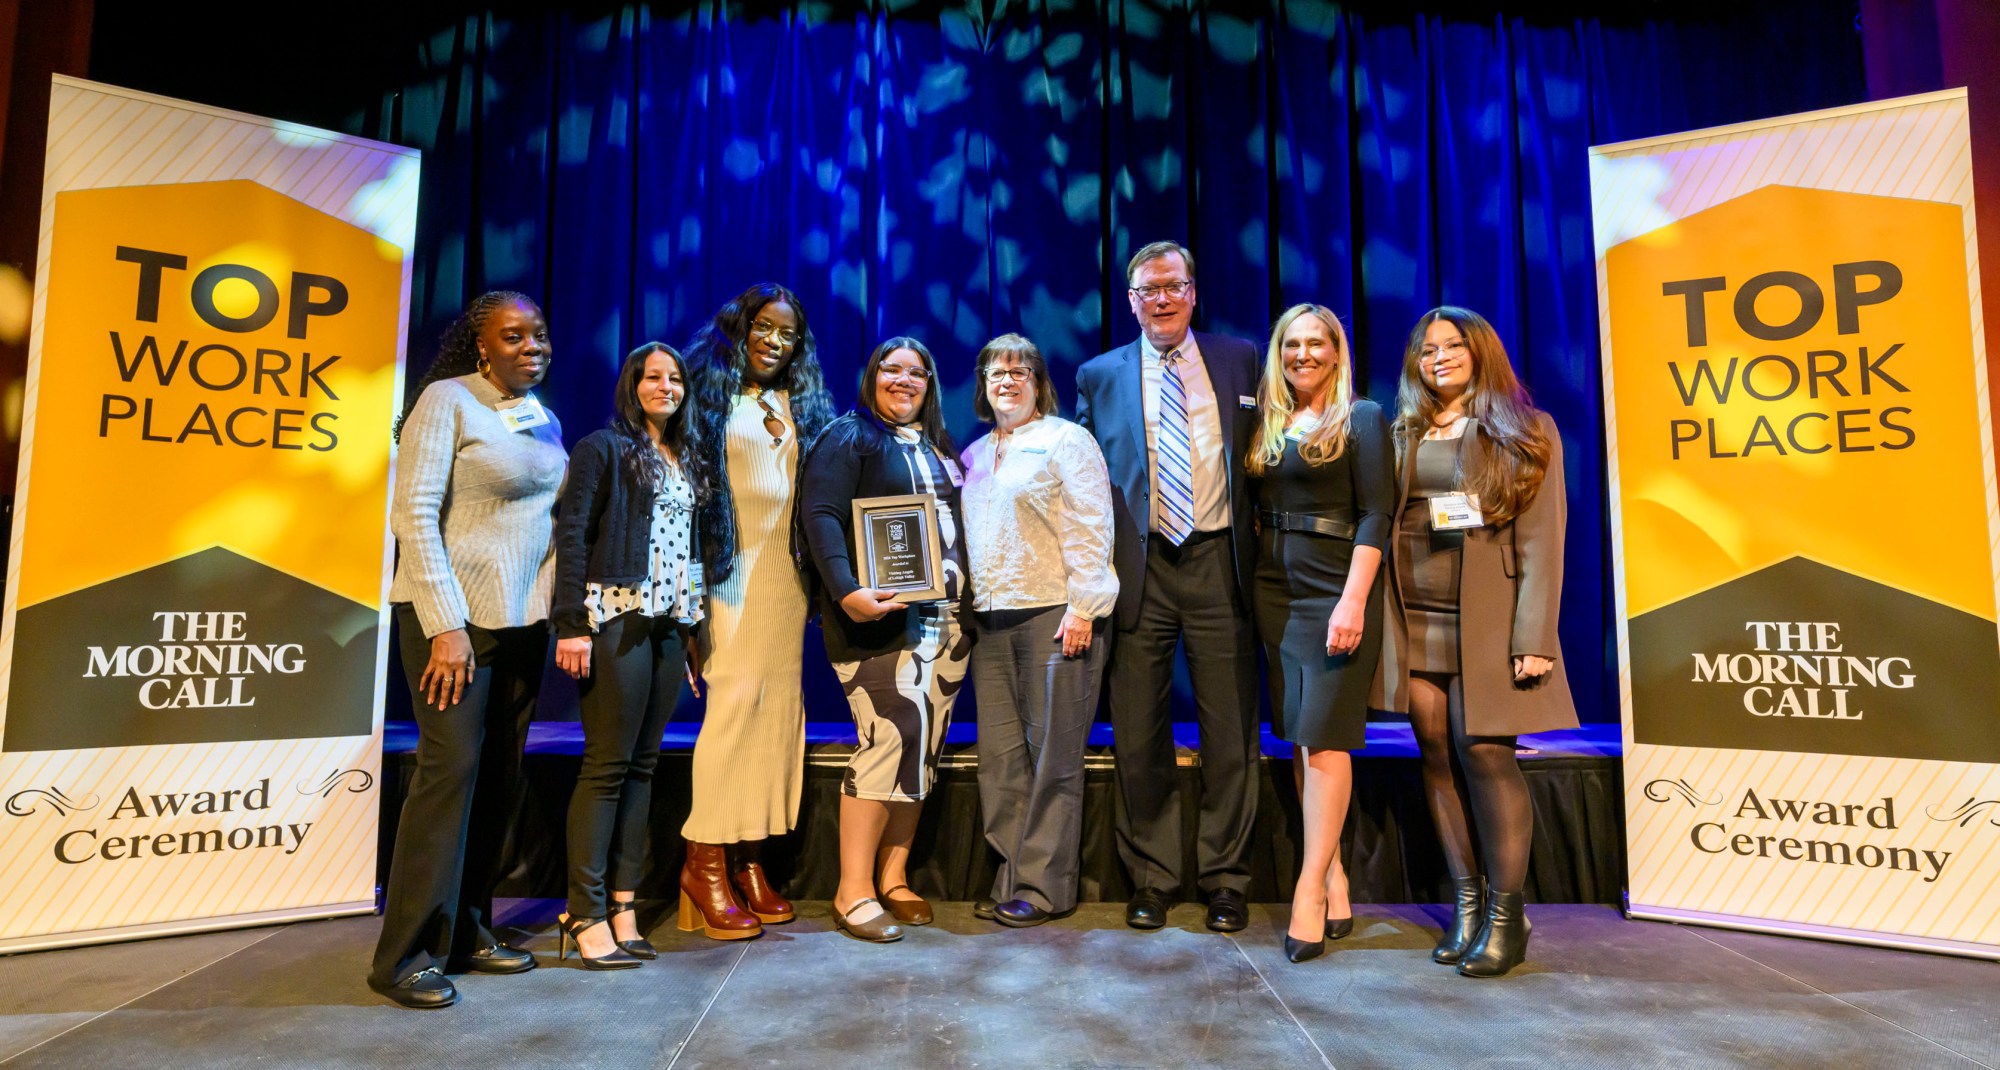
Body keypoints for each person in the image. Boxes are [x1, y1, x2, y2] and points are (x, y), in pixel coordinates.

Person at [369, 291, 566, 1010]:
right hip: (451, 625)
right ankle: (405, 955)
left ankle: (468, 931)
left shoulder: (543, 417)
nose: (531, 346)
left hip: (520, 626)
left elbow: (544, 525)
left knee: (498, 777)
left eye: (538, 334)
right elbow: (414, 517)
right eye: (513, 336)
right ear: (482, 346)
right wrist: (445, 626)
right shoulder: (447, 401)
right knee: (448, 775)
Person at [1376, 305, 1576, 978]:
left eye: (1452, 346)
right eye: (1426, 349)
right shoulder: (1401, 430)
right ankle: (1467, 906)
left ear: (1479, 350)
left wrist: (1533, 636)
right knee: (1435, 754)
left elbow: (1543, 542)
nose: (1438, 358)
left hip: (1486, 620)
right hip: (1414, 614)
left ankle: (1507, 916)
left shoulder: (1526, 428)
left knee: (1485, 754)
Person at [1075, 241, 1263, 933]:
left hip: (1220, 561)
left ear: (1193, 293)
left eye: (1173, 286)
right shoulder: (1099, 374)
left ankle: (1226, 879)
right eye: (1148, 290)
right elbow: (1084, 483)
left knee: (1231, 731)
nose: (1161, 299)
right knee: (1139, 730)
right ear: (1131, 302)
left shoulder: (1241, 359)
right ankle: (1151, 879)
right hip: (1139, 568)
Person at [798, 337, 972, 942]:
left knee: (921, 750)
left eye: (916, 371)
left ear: (931, 383)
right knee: (888, 740)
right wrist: (846, 591)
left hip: (948, 622)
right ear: (871, 376)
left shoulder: (938, 445)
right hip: (881, 621)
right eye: (891, 369)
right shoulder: (850, 437)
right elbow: (820, 514)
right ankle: (853, 891)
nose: (904, 379)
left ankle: (894, 878)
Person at [679, 283, 836, 939]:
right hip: (728, 577)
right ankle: (703, 864)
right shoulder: (706, 396)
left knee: (775, 721)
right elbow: (682, 503)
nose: (775, 341)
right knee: (732, 716)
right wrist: (688, 605)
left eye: (788, 334)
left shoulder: (800, 403)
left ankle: (748, 858)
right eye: (764, 327)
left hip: (785, 582)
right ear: (739, 328)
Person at [550, 342, 708, 967]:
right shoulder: (604, 448)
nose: (666, 387)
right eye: (653, 377)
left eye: (675, 379)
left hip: (670, 623)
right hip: (615, 616)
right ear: (632, 385)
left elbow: (691, 546)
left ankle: (623, 905)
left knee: (644, 766)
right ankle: (583, 911)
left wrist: (692, 627)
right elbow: (572, 533)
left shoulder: (688, 455)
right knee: (607, 766)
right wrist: (571, 624)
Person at [1245, 305, 1394, 963]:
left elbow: (1377, 514)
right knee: (1302, 738)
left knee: (1327, 738)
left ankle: (1307, 891)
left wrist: (1353, 601)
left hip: (1335, 589)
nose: (1303, 354)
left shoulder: (1362, 419)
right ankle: (1332, 874)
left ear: (1337, 351)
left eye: (1315, 343)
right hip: (1274, 590)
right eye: (1291, 344)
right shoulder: (1268, 422)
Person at [960, 333, 1117, 928]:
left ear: (1038, 382)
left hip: (1055, 615)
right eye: (996, 373)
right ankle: (1011, 876)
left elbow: (1092, 525)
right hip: (991, 622)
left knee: (1053, 759)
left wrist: (1085, 607)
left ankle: (1044, 888)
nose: (1007, 381)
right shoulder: (974, 455)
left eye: (1019, 372)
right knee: (1000, 762)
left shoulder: (1066, 440)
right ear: (983, 385)